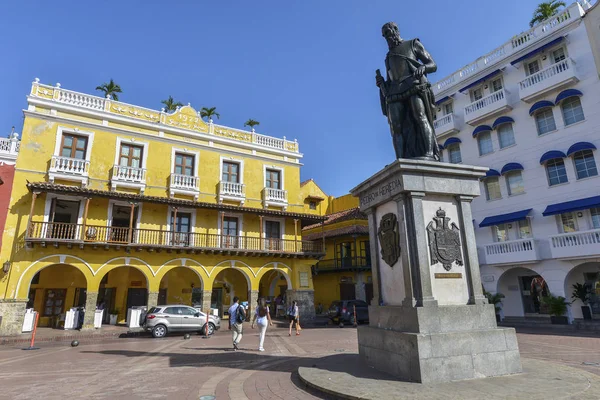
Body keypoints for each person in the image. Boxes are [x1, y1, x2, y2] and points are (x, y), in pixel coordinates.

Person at [376, 22, 439, 160]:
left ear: (396, 30)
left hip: (414, 84)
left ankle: (429, 153)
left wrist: (424, 68)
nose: (387, 36)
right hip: (395, 91)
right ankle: (400, 159)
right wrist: (382, 84)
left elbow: (432, 65)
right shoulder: (388, 57)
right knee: (395, 127)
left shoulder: (413, 44)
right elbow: (391, 79)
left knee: (420, 117)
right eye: (384, 35)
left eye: (388, 32)